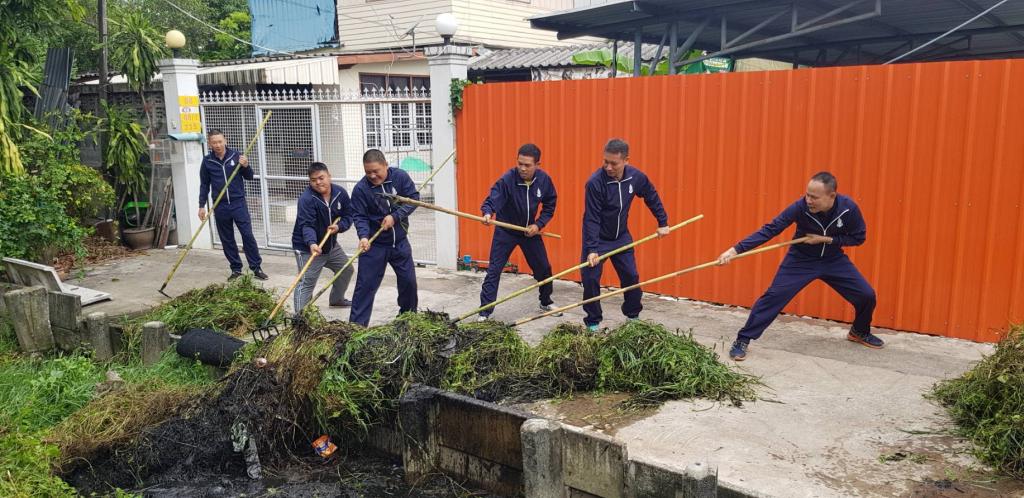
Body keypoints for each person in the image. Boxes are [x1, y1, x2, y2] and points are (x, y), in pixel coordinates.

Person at [718, 171, 881, 361]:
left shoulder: (848, 209)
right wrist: (735, 250)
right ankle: (743, 339)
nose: (808, 200)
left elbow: (858, 237)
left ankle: (859, 331)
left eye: (814, 197)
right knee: (774, 296)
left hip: (833, 260)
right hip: (801, 261)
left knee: (866, 295)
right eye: (807, 195)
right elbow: (770, 229)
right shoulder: (800, 207)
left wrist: (826, 239)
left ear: (832, 196)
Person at [580, 138, 669, 331]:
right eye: (605, 162)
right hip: (598, 240)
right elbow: (591, 218)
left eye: (614, 163)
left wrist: (662, 222)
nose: (608, 167)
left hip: (621, 237)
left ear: (626, 160)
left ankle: (632, 316)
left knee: (631, 276)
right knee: (590, 279)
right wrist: (592, 249)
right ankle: (593, 322)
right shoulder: (595, 183)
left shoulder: (635, 177)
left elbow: (651, 196)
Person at [477, 144, 561, 321]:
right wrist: (487, 213)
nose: (522, 168)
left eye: (527, 165)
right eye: (520, 163)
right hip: (506, 231)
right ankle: (484, 312)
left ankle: (545, 301)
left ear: (537, 164)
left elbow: (550, 205)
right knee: (494, 270)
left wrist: (538, 225)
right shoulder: (508, 179)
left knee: (544, 268)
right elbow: (493, 198)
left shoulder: (544, 180)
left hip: (529, 232)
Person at [349, 149, 419, 327]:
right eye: (368, 172)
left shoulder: (400, 177)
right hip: (375, 245)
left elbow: (413, 199)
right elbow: (359, 216)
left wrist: (395, 217)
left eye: (376, 171)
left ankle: (408, 319)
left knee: (409, 282)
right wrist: (363, 237)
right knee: (365, 286)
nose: (372, 176)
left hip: (399, 243)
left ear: (386, 165)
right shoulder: (361, 189)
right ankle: (355, 328)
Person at [198, 129, 267, 280]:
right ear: (209, 144)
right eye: (214, 142)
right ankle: (236, 269)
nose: (218, 145)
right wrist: (201, 205)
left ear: (225, 140)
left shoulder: (236, 156)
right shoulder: (208, 161)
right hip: (220, 205)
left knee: (247, 235)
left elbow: (249, 177)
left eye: (220, 141)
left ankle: (256, 267)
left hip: (238, 203)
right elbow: (204, 184)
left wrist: (246, 165)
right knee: (227, 238)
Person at [291, 162, 355, 312]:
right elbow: (307, 225)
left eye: (321, 178)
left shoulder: (340, 193)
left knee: (346, 269)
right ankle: (300, 317)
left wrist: (340, 227)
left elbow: (348, 214)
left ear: (329, 176)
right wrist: (312, 243)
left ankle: (337, 299)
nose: (318, 182)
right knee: (307, 282)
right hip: (308, 247)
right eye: (313, 180)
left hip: (330, 244)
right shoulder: (307, 199)